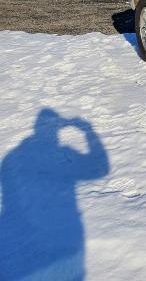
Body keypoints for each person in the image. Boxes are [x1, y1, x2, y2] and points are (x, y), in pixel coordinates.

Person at [0, 108, 109, 281]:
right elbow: (100, 168)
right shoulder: (62, 155)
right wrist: (89, 131)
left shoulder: (11, 158)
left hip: (19, 250)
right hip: (61, 249)